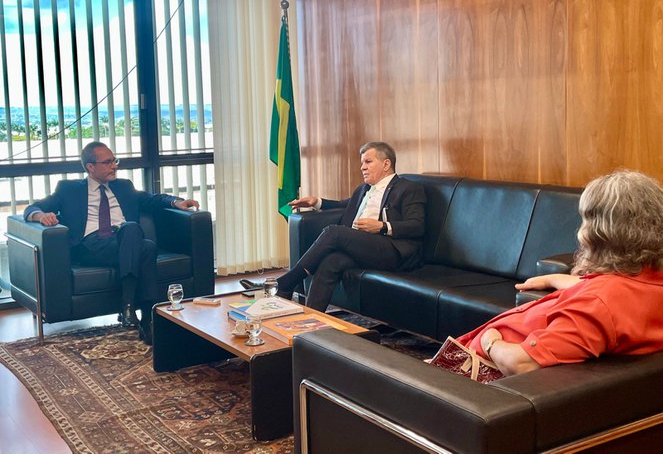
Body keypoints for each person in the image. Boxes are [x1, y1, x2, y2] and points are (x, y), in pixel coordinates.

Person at [449, 170, 663, 377]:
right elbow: (623, 296)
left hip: (474, 375)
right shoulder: (645, 284)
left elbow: (520, 364)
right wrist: (555, 278)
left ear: (600, 233)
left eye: (586, 220)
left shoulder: (597, 304)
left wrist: (490, 342)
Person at [24, 141, 199, 345]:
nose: (114, 166)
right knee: (141, 241)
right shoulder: (68, 190)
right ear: (90, 167)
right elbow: (32, 208)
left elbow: (152, 199)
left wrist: (177, 202)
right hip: (91, 246)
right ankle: (139, 311)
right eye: (107, 162)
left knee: (142, 241)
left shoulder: (123, 186)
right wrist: (41, 216)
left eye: (115, 161)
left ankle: (140, 317)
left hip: (125, 242)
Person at [242, 141, 426, 312]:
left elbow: (417, 225)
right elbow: (344, 205)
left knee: (334, 232)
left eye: (368, 162)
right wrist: (317, 202)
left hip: (392, 251)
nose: (362, 167)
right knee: (331, 262)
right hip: (363, 247)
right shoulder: (363, 189)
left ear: (386, 164)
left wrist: (382, 226)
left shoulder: (408, 188)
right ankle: (311, 321)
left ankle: (285, 283)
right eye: (362, 163)